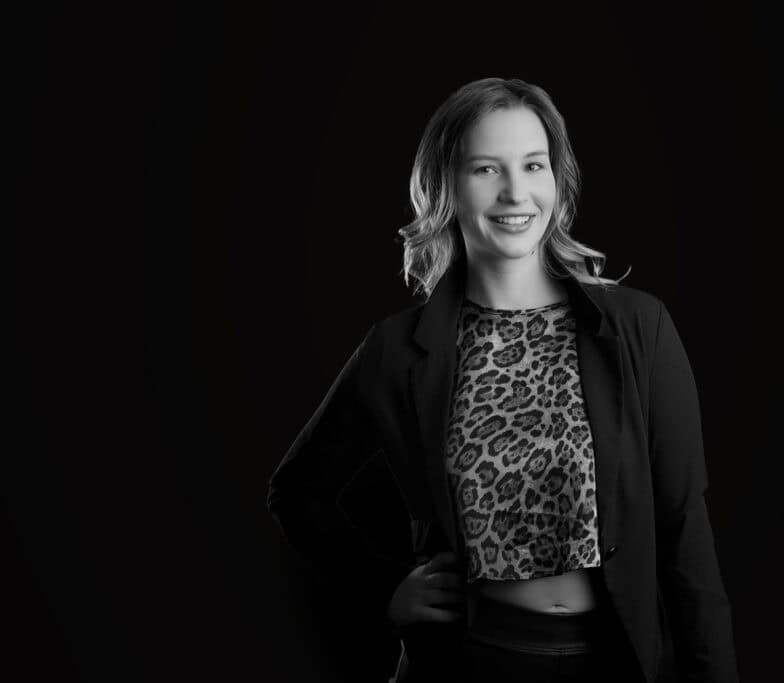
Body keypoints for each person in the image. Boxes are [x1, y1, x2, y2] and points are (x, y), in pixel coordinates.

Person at [267, 77, 739, 683]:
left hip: (613, 665)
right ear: (447, 187)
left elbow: (685, 533)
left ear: (555, 178)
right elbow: (298, 492)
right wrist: (385, 588)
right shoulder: (397, 349)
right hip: (466, 665)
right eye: (486, 169)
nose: (516, 191)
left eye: (533, 165)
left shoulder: (635, 328)